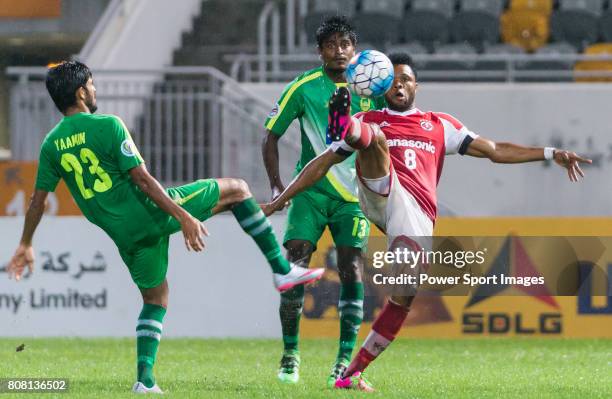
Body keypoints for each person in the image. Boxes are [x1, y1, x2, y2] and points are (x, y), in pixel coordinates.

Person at [263, 52, 591, 391]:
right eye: (392, 80)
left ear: (416, 86)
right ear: (382, 86)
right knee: (372, 136)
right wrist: (281, 197)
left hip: (413, 216)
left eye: (406, 79)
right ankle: (343, 125)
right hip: (378, 189)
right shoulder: (373, 116)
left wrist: (552, 153)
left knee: (404, 296)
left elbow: (495, 150)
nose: (399, 85)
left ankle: (351, 374)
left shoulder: (438, 124)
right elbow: (321, 163)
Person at [6, 61, 323, 394]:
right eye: (92, 84)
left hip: (124, 235)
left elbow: (37, 202)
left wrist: (26, 243)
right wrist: (183, 216)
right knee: (239, 189)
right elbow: (142, 178)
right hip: (152, 212)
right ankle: (281, 270)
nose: (95, 90)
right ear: (81, 91)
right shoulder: (108, 126)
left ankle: (144, 380)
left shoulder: (51, 144)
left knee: (156, 298)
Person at [262, 16, 386, 385]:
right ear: (320, 52)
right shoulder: (303, 88)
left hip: (354, 197)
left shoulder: (370, 88)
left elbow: (387, 138)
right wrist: (275, 187)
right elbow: (270, 136)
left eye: (346, 44)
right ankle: (290, 355)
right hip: (311, 192)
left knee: (351, 268)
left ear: (355, 48)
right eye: (332, 45)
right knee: (294, 267)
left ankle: (344, 361)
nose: (340, 51)